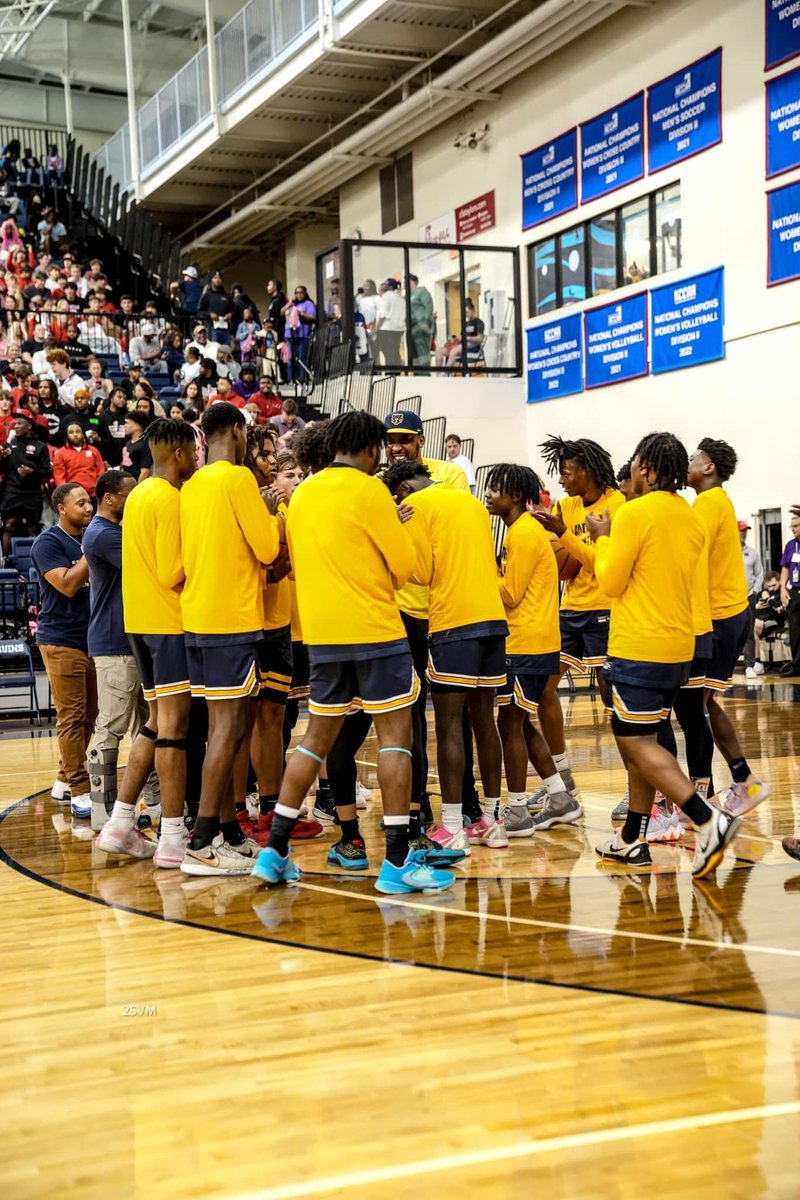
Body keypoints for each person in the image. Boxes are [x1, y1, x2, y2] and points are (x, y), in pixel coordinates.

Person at [252, 411, 454, 894]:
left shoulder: (302, 495)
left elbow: (298, 564)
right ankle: (398, 861)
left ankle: (274, 851)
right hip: (375, 630)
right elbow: (404, 568)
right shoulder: (371, 491)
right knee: (396, 740)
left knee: (313, 741)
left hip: (322, 635)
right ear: (371, 449)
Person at [590, 432, 746, 879]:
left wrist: (602, 539)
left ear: (647, 469)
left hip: (639, 644)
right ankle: (631, 838)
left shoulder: (634, 514)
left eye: (636, 463)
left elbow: (611, 582)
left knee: (635, 742)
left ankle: (708, 820)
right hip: (680, 645)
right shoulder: (691, 516)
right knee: (646, 740)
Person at [382, 457, 508, 854]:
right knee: (484, 721)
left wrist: (396, 531)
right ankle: (493, 821)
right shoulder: (470, 502)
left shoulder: (416, 506)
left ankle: (452, 826)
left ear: (403, 489)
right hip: (493, 619)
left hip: (454, 622)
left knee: (450, 723)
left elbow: (418, 573)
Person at [179, 402, 282, 876]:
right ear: (238, 432)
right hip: (232, 619)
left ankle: (225, 831)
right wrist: (273, 513)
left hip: (197, 617)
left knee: (226, 728)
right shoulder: (238, 479)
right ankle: (201, 841)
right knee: (227, 729)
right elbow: (267, 548)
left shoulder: (192, 484)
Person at [106, 419, 197, 867]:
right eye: (194, 451)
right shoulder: (169, 498)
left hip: (138, 622)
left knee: (157, 723)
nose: (197, 458)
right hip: (167, 624)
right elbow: (172, 570)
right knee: (175, 729)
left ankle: (120, 823)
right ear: (179, 453)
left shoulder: (139, 494)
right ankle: (174, 837)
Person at [533, 436, 624, 808]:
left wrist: (564, 535)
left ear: (587, 471)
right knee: (543, 689)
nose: (562, 480)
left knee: (611, 697)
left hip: (606, 607)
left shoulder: (616, 506)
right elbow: (559, 558)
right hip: (570, 608)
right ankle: (561, 779)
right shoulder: (565, 506)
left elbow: (601, 563)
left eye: (567, 473)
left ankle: (637, 785)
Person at [486, 464, 576, 836]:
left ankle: (518, 810)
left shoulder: (523, 533)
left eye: (495, 488)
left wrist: (479, 571)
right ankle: (559, 797)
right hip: (533, 642)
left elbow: (509, 593)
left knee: (509, 723)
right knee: (519, 722)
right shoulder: (521, 531)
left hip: (526, 643)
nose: (488, 494)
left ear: (516, 495)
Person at [688, 438, 770, 814]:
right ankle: (744, 781)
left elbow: (690, 557)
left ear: (708, 468)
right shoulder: (717, 501)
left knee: (693, 706)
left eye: (693, 459)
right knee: (703, 703)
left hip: (719, 616)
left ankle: (702, 797)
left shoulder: (707, 503)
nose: (687, 463)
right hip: (731, 613)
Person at [82, 471, 160, 834]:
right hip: (114, 644)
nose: (136, 500)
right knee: (110, 726)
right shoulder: (103, 534)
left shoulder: (112, 530)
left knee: (150, 723)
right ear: (109, 498)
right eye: (130, 495)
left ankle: (156, 801)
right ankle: (103, 810)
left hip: (132, 641)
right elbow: (147, 563)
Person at [31, 482, 98, 820]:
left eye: (89, 502)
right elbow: (68, 584)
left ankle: (62, 780)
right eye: (81, 503)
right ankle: (80, 790)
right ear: (61, 508)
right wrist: (92, 550)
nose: (88, 508)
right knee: (71, 716)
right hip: (60, 638)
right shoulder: (48, 543)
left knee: (90, 715)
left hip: (91, 638)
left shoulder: (87, 537)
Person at [0, 409, 50, 555]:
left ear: (29, 426)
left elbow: (47, 471)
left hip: (32, 492)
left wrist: (32, 472)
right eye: (14, 423)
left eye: (19, 423)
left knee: (32, 527)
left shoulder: (40, 446)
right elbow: (3, 469)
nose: (15, 426)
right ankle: (5, 561)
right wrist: (2, 458)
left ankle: (34, 560)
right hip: (12, 491)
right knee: (9, 525)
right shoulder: (9, 445)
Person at [384, 410, 469, 490]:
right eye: (390, 442)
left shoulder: (450, 473)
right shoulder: (381, 481)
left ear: (421, 441)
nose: (396, 448)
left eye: (405, 441)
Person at [738, 520, 764, 679]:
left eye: (745, 530)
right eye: (741, 530)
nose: (744, 533)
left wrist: (755, 590)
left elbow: (759, 574)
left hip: (749, 597)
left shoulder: (752, 553)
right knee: (732, 632)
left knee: (749, 632)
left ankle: (749, 665)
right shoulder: (727, 552)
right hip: (732, 597)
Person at [52, 421, 105, 498]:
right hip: (73, 497)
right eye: (71, 432)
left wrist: (100, 490)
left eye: (78, 431)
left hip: (94, 495)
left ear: (83, 434)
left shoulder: (94, 450)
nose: (75, 434)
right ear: (66, 435)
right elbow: (59, 479)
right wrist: (66, 496)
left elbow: (101, 472)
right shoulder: (60, 454)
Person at [281, 285, 317, 382]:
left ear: (305, 294)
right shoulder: (292, 304)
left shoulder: (308, 304)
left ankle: (302, 378)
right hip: (290, 335)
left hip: (302, 334)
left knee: (302, 357)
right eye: (297, 293)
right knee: (290, 358)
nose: (299, 295)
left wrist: (301, 313)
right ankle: (291, 378)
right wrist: (289, 304)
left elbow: (313, 317)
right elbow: (282, 312)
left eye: (301, 292)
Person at [779, 512, 800, 677]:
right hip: (795, 591)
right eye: (792, 526)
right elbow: (785, 567)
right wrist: (783, 588)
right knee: (795, 631)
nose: (793, 529)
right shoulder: (790, 545)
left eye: (796, 526)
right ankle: (797, 665)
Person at [197, 270, 233, 344]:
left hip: (226, 329)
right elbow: (199, 312)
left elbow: (234, 310)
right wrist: (210, 314)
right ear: (211, 280)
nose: (217, 280)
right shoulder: (207, 295)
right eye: (215, 278)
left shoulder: (227, 296)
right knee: (214, 348)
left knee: (226, 349)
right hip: (212, 328)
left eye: (219, 278)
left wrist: (230, 314)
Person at [375, 278, 405, 367]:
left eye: (385, 284)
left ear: (390, 286)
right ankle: (397, 372)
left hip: (387, 329)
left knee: (388, 354)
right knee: (395, 352)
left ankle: (391, 372)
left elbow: (382, 315)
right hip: (398, 329)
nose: (383, 285)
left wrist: (376, 329)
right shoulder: (400, 297)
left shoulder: (386, 296)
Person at [408, 274, 433, 367]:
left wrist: (426, 322)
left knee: (423, 353)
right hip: (412, 328)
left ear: (413, 281)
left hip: (421, 326)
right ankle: (418, 372)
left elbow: (429, 307)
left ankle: (425, 372)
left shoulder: (422, 291)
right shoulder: (409, 296)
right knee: (415, 357)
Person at [120, 411, 152, 482]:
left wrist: (138, 487)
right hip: (126, 483)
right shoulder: (128, 442)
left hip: (136, 483)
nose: (124, 425)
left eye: (127, 423)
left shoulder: (145, 445)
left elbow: (145, 472)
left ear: (137, 426)